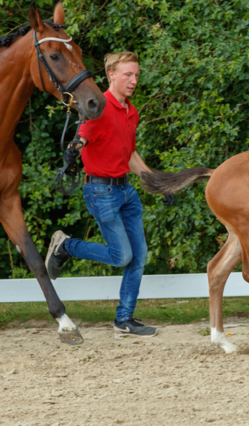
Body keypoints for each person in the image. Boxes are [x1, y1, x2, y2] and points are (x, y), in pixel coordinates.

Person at [45, 51, 172, 337]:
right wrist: (73, 151)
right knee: (121, 256)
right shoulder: (97, 107)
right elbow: (82, 137)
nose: (134, 80)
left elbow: (130, 155)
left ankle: (123, 320)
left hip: (126, 190)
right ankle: (66, 246)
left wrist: (156, 183)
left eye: (137, 75)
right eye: (128, 74)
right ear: (111, 75)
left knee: (138, 256)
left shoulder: (131, 111)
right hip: (100, 191)